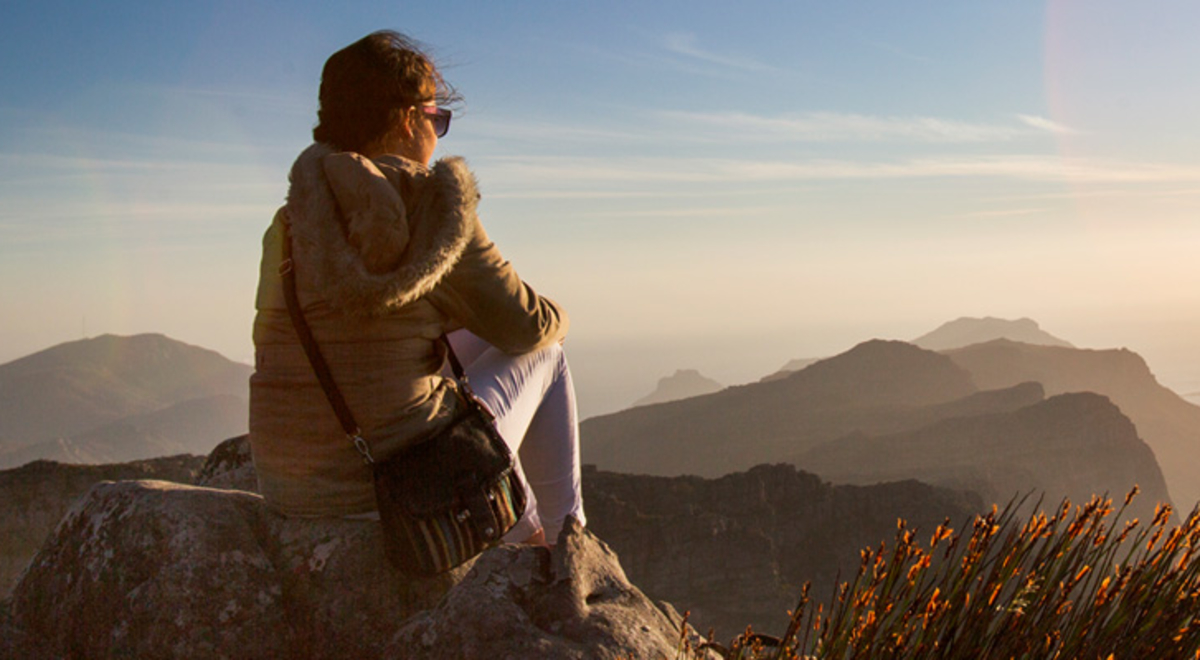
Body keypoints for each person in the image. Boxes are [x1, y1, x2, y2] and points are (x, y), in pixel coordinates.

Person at [248, 30, 584, 547]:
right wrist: (561, 313)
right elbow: (529, 326)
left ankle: (528, 527)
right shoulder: (434, 207)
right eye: (437, 120)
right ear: (409, 119)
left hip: (288, 486)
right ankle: (565, 544)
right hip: (397, 492)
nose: (436, 136)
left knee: (465, 341)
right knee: (549, 355)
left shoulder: (291, 223)